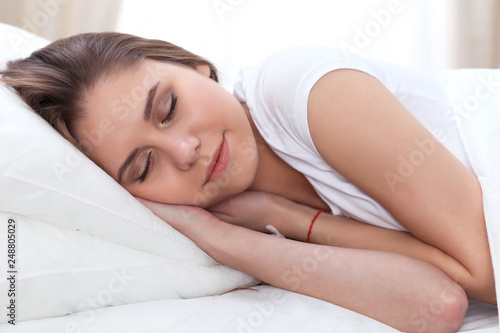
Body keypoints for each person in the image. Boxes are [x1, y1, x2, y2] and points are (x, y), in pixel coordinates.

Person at [1, 32, 495, 332]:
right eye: (144, 168)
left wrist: (290, 220)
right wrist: (225, 238)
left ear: (196, 66)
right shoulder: (241, 223)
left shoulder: (300, 89)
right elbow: (438, 304)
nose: (185, 151)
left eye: (169, 107)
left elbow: (487, 276)